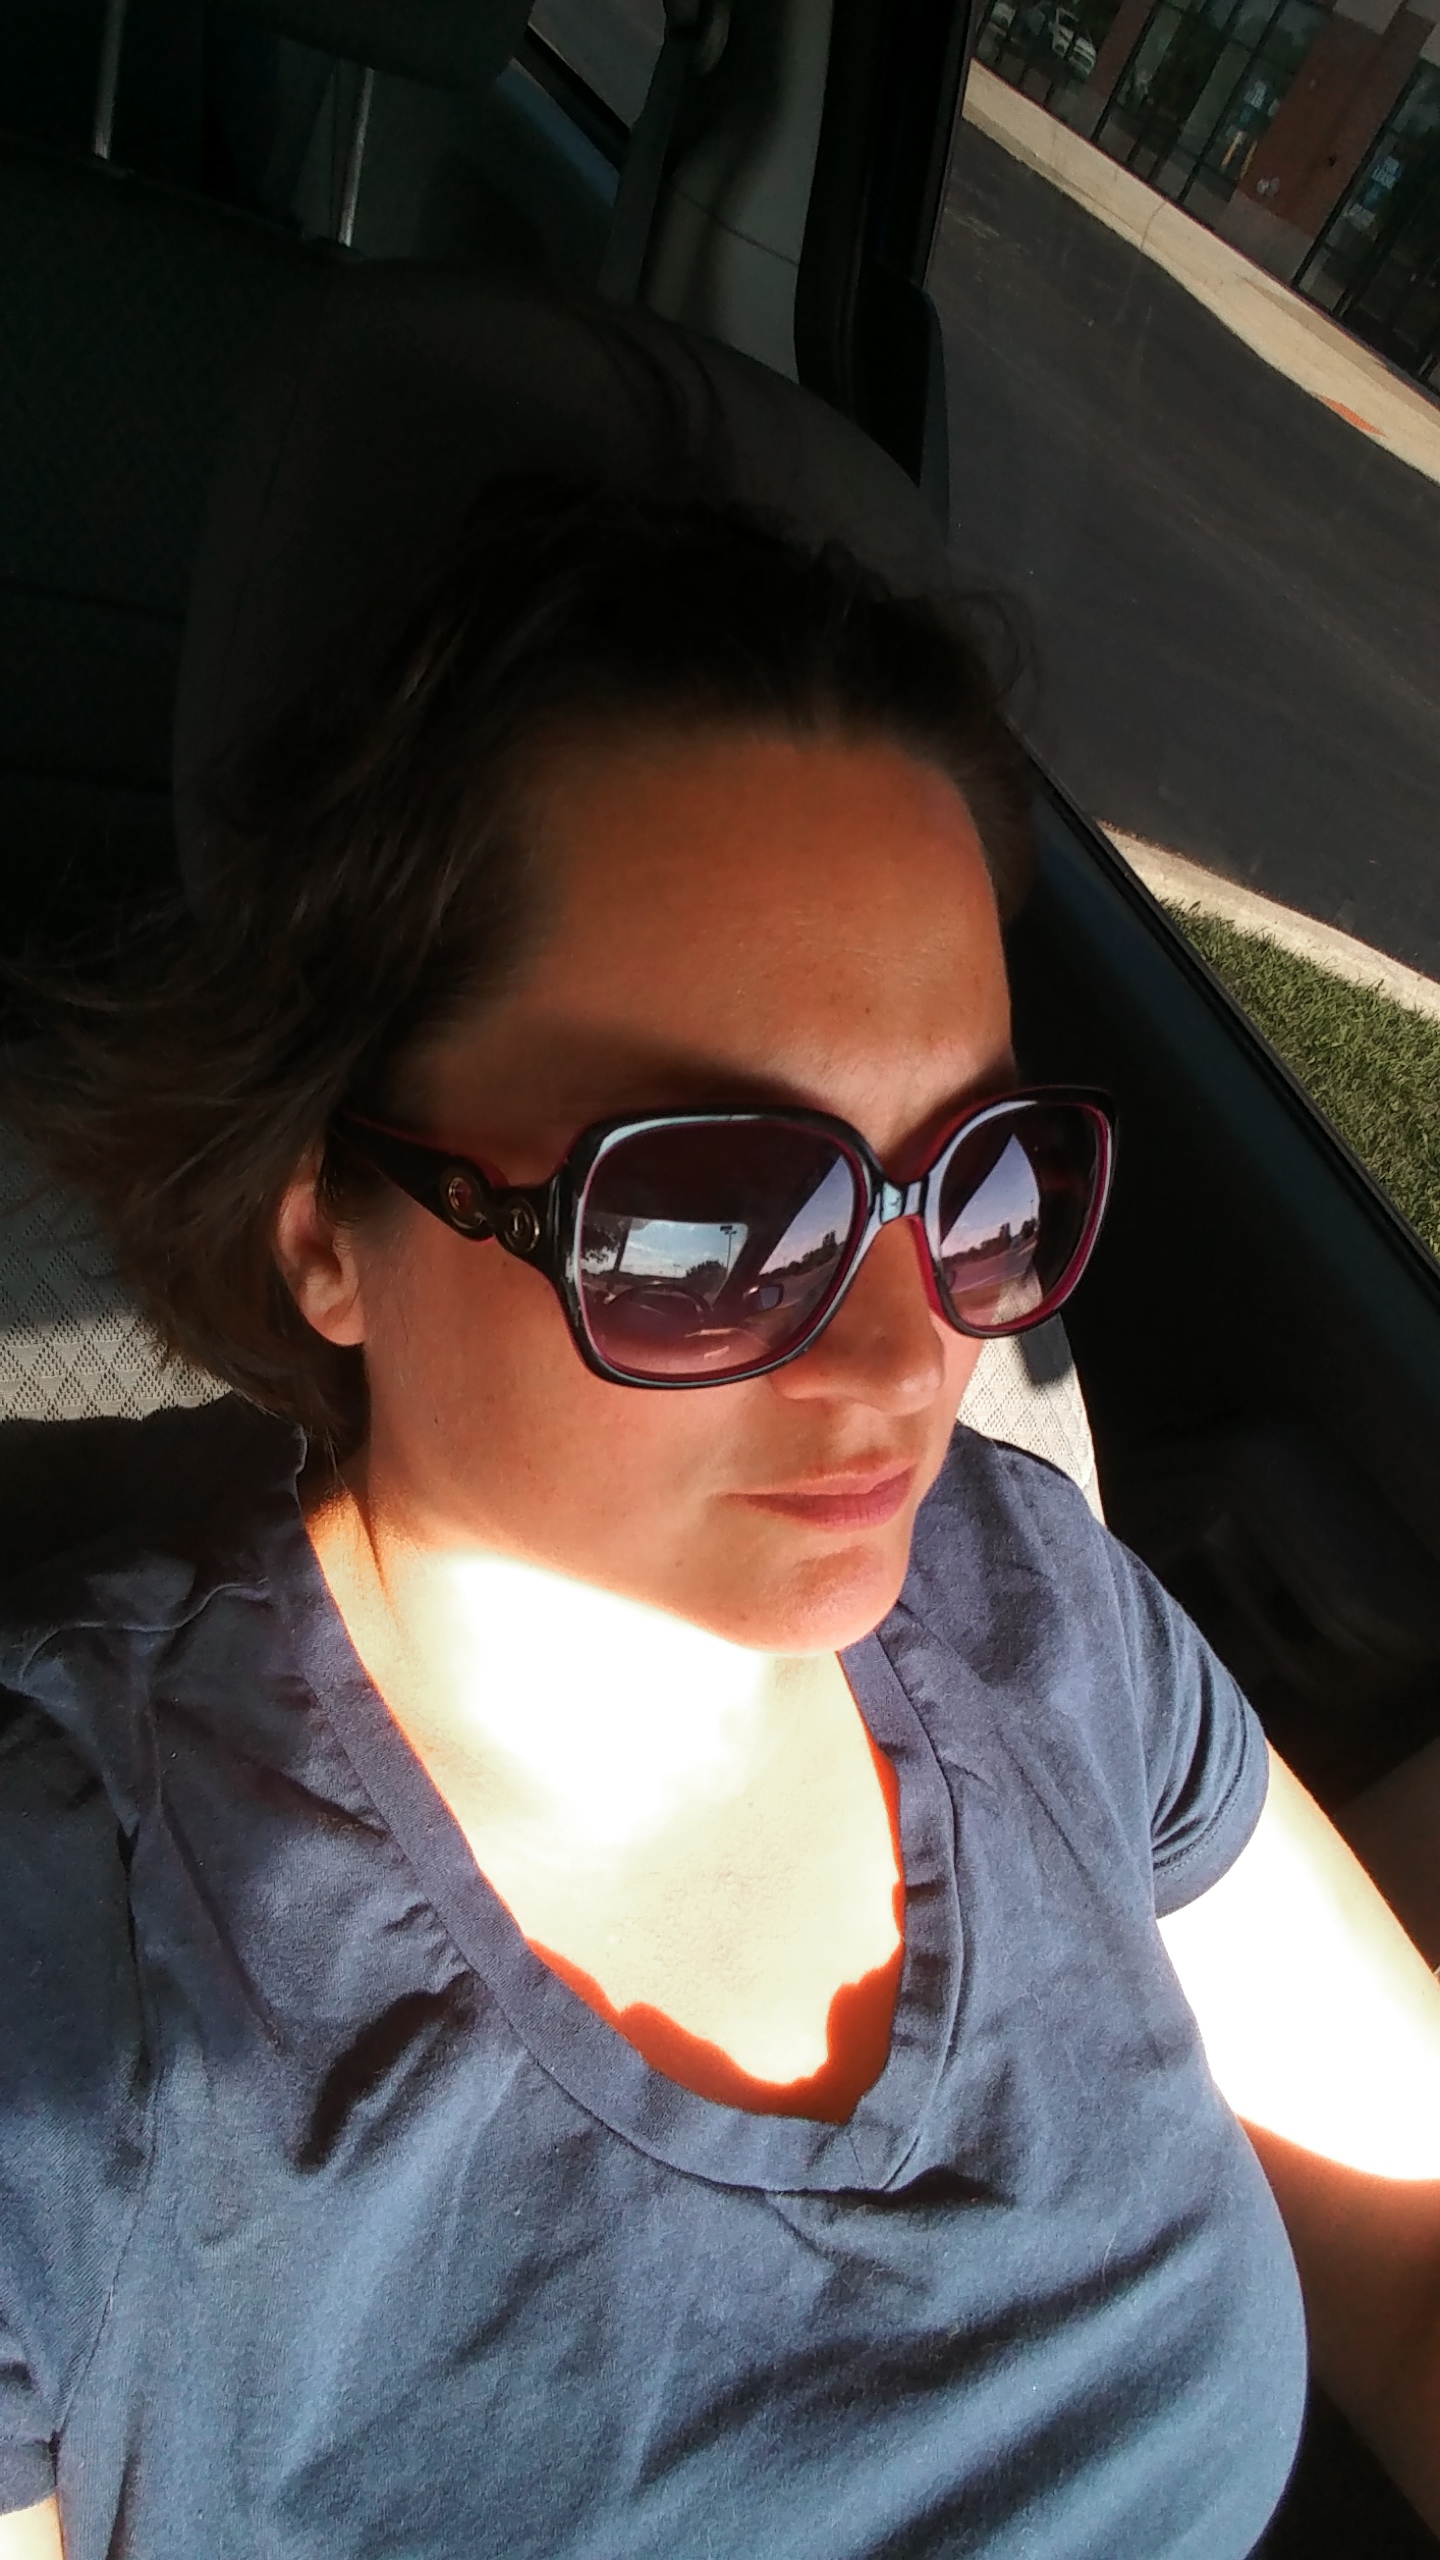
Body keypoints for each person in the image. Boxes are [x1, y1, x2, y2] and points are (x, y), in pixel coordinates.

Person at [1, 478, 1438, 2560]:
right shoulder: (72, 1976)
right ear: (327, 1232)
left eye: (978, 1176)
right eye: (707, 1218)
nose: (908, 1356)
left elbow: (1416, 2236)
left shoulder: (1045, 1607)